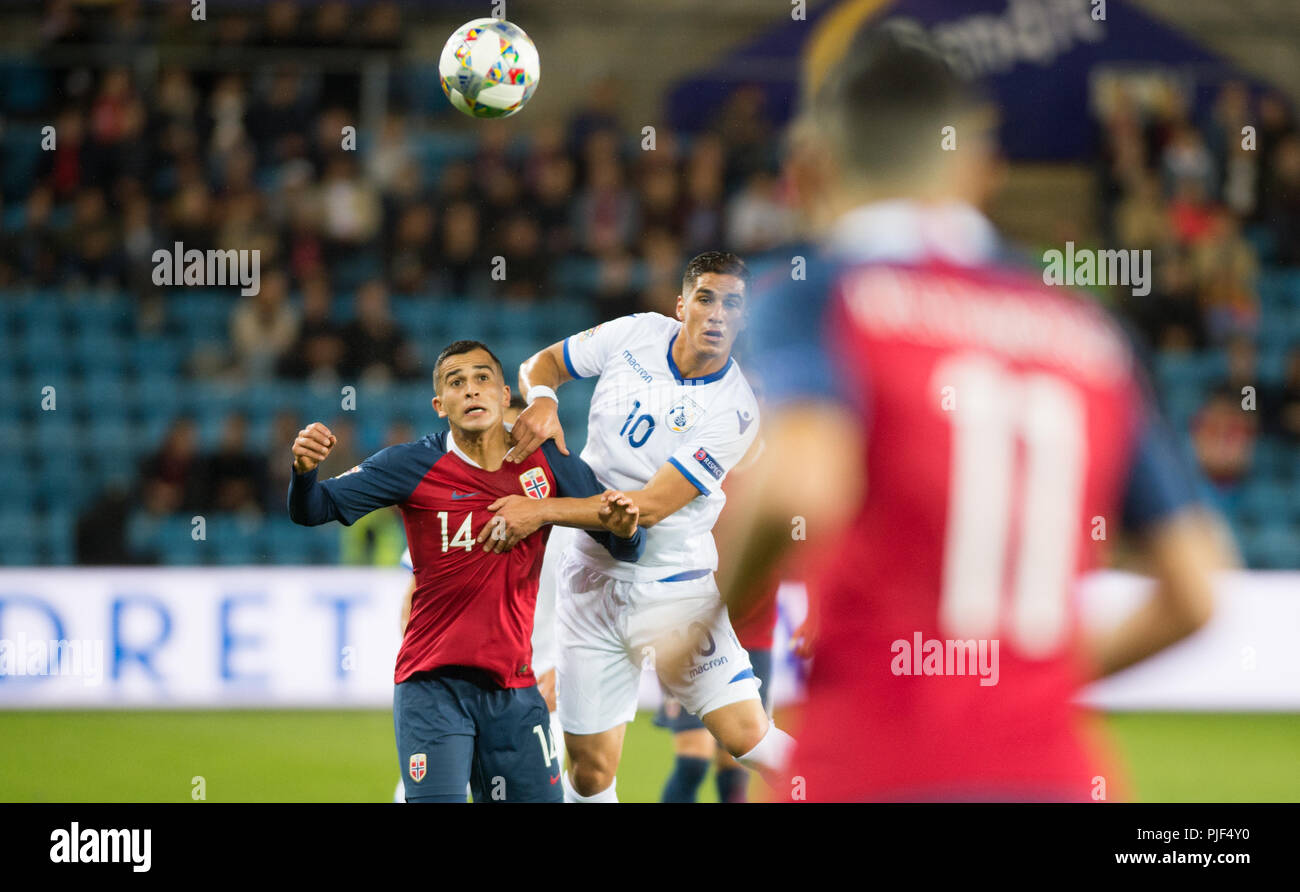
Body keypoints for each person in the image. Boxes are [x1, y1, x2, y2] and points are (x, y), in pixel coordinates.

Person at [716, 27, 1232, 801]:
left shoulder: (818, 294)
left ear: (809, 169)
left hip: (873, 771)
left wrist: (699, 624)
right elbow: (1195, 587)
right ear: (980, 172)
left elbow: (799, 488)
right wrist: (1021, 678)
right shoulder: (1086, 330)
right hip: (1055, 775)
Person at [289, 339, 644, 802]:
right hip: (432, 689)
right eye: (456, 383)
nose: (471, 390)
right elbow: (313, 509)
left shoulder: (548, 462)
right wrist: (303, 471)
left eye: (482, 379)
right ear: (440, 405)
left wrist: (625, 528)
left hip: (515, 689)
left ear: (502, 396)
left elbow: (622, 545)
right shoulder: (409, 465)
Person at [498, 252, 795, 803]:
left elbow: (650, 507)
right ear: (681, 304)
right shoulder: (635, 333)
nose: (718, 314)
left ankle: (856, 784)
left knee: (747, 736)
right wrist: (541, 401)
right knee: (589, 774)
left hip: (674, 590)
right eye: (706, 298)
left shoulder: (736, 409)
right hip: (589, 582)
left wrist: (541, 511)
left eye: (733, 304)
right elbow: (543, 364)